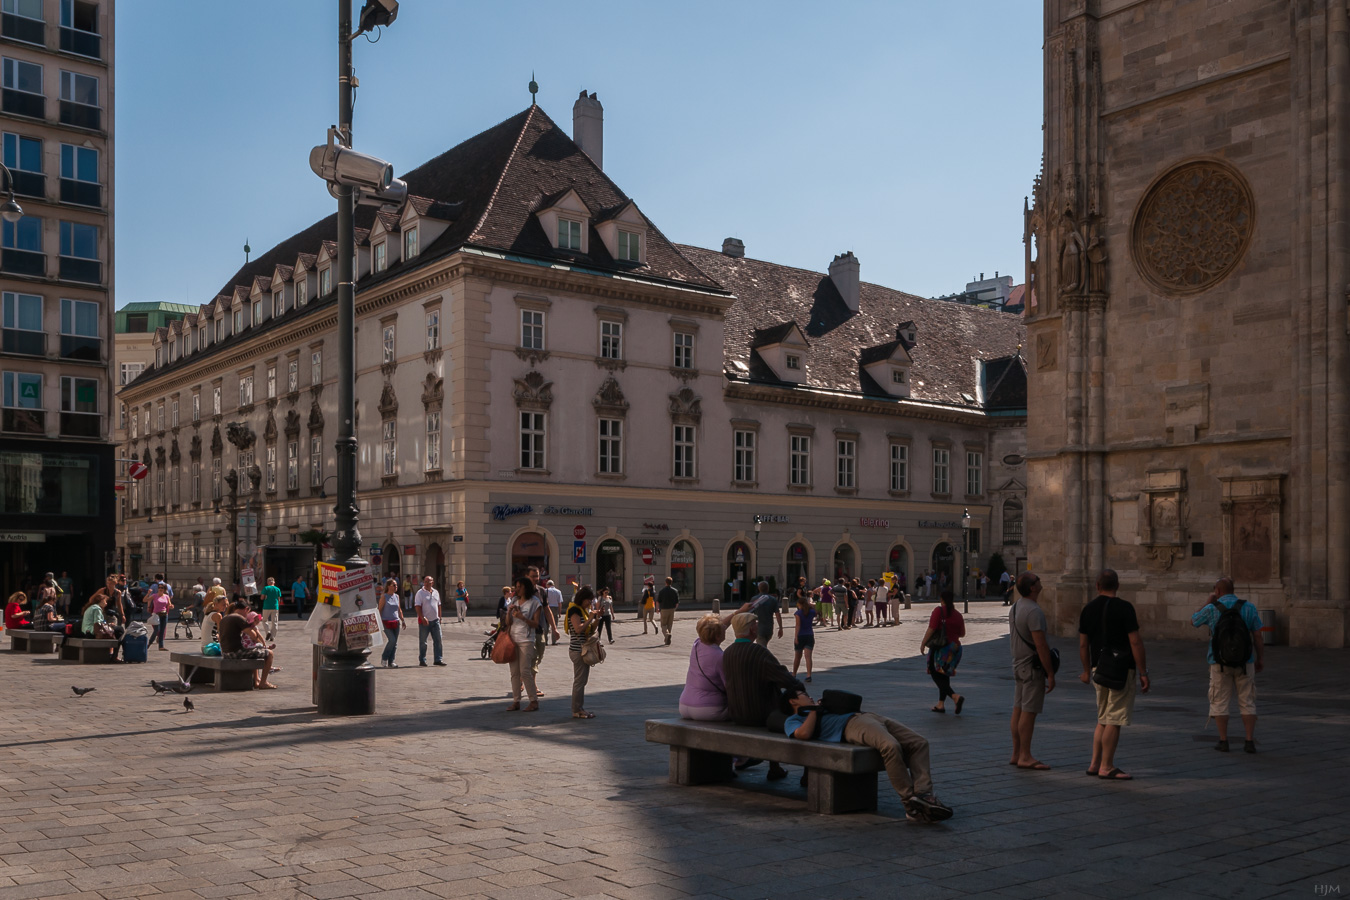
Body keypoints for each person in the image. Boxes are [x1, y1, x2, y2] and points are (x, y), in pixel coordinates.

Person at [784, 692, 953, 823]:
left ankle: (924, 795)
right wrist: (814, 710)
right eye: (804, 695)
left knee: (919, 743)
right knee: (890, 746)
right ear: (793, 701)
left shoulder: (821, 709)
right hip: (851, 726)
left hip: (868, 716)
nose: (809, 696)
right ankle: (910, 804)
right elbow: (803, 734)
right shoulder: (793, 719)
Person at [1078, 569, 1150, 779]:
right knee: (1114, 719)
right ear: (1117, 586)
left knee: (1102, 718)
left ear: (1097, 586)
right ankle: (1106, 766)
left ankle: (1094, 764)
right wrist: (1143, 672)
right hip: (1121, 669)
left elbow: (1083, 645)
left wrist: (1085, 670)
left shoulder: (1088, 609)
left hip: (1098, 669)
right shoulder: (1124, 608)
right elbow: (1135, 641)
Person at [722, 612, 805, 780]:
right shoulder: (758, 652)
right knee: (798, 714)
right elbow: (785, 678)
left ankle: (774, 767)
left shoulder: (728, 652)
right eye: (756, 624)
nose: (758, 627)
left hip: (737, 712)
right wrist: (802, 692)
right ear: (752, 629)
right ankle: (803, 772)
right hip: (760, 714)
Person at [1191, 576, 1264, 753]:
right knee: (1247, 701)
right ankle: (1249, 741)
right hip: (1245, 661)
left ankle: (1223, 741)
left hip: (1218, 662)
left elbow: (1194, 621)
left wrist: (1208, 601)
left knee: (1219, 701)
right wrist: (1259, 658)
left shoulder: (1211, 608)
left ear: (1217, 591)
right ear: (1233, 590)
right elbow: (1257, 636)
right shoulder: (1248, 607)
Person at [1009, 572, 1056, 769]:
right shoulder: (1034, 611)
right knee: (1028, 712)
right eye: (1037, 579)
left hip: (1018, 665)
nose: (1040, 580)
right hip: (1031, 668)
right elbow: (1041, 645)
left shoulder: (1016, 606)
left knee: (1018, 710)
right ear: (1033, 588)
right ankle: (1025, 756)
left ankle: (1016, 753)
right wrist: (1050, 673)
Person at [679, 614, 731, 720]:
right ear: (718, 636)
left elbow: (712, 628)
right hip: (708, 708)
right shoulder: (720, 657)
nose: (725, 630)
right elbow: (729, 685)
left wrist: (737, 613)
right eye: (723, 630)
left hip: (684, 705)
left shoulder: (696, 645)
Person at [922, 590, 966, 714]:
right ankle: (940, 704)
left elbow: (932, 628)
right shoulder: (958, 614)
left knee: (934, 672)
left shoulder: (939, 611)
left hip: (941, 648)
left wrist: (923, 643)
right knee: (943, 674)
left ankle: (955, 697)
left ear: (941, 599)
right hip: (955, 648)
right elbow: (962, 634)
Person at [218, 600, 276, 688]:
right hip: (236, 652)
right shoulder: (239, 618)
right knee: (269, 653)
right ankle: (263, 682)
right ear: (246, 609)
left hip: (225, 653)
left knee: (255, 651)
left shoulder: (225, 618)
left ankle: (256, 679)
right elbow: (253, 636)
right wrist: (254, 630)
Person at [505, 576, 542, 711]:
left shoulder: (535, 603)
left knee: (525, 671)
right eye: (516, 586)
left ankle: (533, 701)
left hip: (526, 640)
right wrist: (509, 613)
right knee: (514, 672)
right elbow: (508, 623)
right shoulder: (514, 600)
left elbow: (536, 624)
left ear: (526, 587)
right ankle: (516, 701)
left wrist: (523, 617)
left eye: (520, 587)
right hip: (513, 639)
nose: (517, 589)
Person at [566, 585, 597, 718]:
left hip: (583, 649)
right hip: (577, 650)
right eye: (588, 600)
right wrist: (590, 618)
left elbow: (590, 630)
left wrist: (597, 618)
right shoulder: (574, 610)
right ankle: (576, 709)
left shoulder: (584, 610)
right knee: (579, 681)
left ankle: (579, 708)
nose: (590, 603)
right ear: (582, 598)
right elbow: (578, 629)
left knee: (582, 680)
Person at [413, 575, 445, 667]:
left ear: (432, 583)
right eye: (425, 582)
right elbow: (417, 606)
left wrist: (440, 617)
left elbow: (439, 605)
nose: (427, 583)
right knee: (423, 642)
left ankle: (438, 659)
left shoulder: (436, 592)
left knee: (438, 640)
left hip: (435, 621)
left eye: (429, 582)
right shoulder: (420, 593)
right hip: (424, 621)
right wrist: (422, 617)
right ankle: (422, 660)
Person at [742, 582, 783, 648]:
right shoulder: (773, 600)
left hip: (758, 627)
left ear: (759, 588)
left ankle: (762, 657)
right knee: (763, 645)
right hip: (769, 627)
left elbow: (749, 614)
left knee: (761, 647)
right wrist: (780, 628)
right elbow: (778, 615)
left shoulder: (754, 599)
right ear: (768, 589)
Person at [380, 577, 406, 668]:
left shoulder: (397, 596)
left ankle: (391, 661)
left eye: (396, 585)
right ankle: (384, 658)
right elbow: (380, 609)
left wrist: (403, 620)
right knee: (392, 640)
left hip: (395, 621)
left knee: (395, 643)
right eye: (394, 585)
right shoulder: (384, 597)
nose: (396, 586)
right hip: (386, 622)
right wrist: (378, 623)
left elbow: (399, 609)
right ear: (388, 586)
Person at [791, 592, 815, 682]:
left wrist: (796, 637)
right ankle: (809, 675)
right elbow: (816, 610)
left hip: (800, 635)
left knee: (797, 656)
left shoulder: (798, 613)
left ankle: (794, 674)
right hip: (809, 635)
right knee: (808, 657)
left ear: (799, 604)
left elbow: (798, 625)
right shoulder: (811, 612)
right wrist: (811, 606)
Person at [147, 583, 173, 651]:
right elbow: (145, 600)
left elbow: (169, 605)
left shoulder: (166, 596)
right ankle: (149, 643)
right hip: (156, 615)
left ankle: (161, 646)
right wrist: (148, 593)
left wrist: (171, 606)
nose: (160, 589)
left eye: (162, 588)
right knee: (156, 630)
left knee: (162, 631)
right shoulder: (154, 596)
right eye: (159, 587)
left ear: (164, 589)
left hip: (164, 615)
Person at [656, 576, 680, 646]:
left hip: (664, 609)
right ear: (671, 582)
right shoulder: (675, 591)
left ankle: (667, 635)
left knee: (663, 624)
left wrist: (657, 609)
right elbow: (677, 603)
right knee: (669, 624)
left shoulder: (662, 591)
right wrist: (674, 609)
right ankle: (667, 639)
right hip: (671, 609)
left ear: (665, 582)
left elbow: (658, 601)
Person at [260, 577, 282, 642]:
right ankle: (272, 636)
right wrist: (278, 606)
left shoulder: (266, 588)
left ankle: (268, 632)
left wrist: (264, 597)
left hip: (266, 607)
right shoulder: (277, 589)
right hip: (275, 607)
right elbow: (279, 599)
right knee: (274, 622)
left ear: (268, 582)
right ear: (274, 582)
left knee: (264, 620)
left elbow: (262, 597)